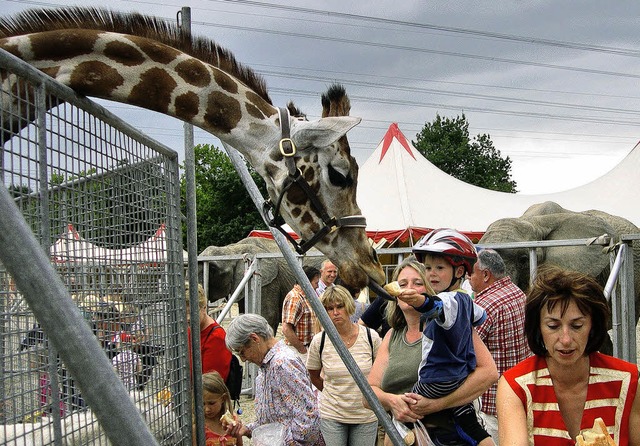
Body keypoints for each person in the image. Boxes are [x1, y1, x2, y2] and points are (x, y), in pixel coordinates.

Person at [496, 265, 640, 445]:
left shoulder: (628, 381)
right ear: (538, 328)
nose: (565, 339)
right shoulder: (516, 386)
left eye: (577, 326)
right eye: (553, 326)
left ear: (593, 326)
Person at [366, 256, 498, 446]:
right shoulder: (391, 336)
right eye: (402, 283)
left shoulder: (450, 325)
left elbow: (489, 373)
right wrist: (393, 402)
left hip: (449, 435)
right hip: (403, 436)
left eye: (417, 283)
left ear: (429, 289)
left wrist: (435, 405)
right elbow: (367, 395)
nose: (408, 288)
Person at [398, 229, 494, 445]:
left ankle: (405, 432)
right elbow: (481, 316)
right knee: (467, 420)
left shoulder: (448, 299)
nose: (432, 273)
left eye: (440, 268)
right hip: (458, 378)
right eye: (429, 268)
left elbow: (437, 307)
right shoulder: (467, 301)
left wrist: (420, 302)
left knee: (405, 411)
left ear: (459, 271)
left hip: (434, 378)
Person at [225, 314, 324, 446]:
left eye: (242, 352)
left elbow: (308, 419)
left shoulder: (282, 363)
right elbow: (273, 420)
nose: (243, 359)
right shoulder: (267, 367)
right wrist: (248, 429)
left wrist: (286, 443)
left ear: (255, 339)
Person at [468, 249, 530, 442]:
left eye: (471, 272)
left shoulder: (484, 305)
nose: (468, 278)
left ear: (486, 275)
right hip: (520, 394)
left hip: (492, 402)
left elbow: (466, 352)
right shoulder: (517, 292)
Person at [307, 284, 381, 445]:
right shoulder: (320, 341)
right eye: (329, 308)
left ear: (348, 306)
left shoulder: (371, 337)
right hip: (333, 414)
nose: (335, 312)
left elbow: (382, 371)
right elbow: (313, 373)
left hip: (365, 414)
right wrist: (330, 390)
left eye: (339, 306)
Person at [185, 282, 232, 380]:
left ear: (204, 307)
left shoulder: (216, 337)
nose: (188, 318)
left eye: (192, 312)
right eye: (183, 313)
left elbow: (212, 387)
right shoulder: (189, 331)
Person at [282, 265, 320, 361]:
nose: (318, 286)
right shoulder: (295, 298)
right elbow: (286, 329)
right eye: (316, 283)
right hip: (298, 351)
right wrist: (302, 349)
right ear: (306, 282)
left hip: (306, 349)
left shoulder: (306, 297)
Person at [197, 371, 243, 446]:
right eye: (202, 404)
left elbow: (240, 444)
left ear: (223, 399)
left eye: (212, 403)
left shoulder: (233, 422)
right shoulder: (199, 427)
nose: (207, 409)